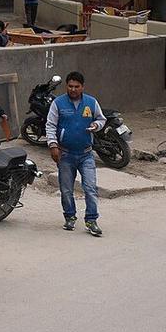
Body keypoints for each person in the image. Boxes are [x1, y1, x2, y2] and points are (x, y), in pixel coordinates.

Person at [48, 70, 105, 236]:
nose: (73, 89)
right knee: (66, 190)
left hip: (86, 154)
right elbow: (50, 125)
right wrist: (53, 145)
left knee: (90, 188)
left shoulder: (91, 103)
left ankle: (91, 220)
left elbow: (101, 119)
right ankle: (70, 217)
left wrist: (96, 126)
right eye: (70, 86)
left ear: (82, 87)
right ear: (66, 86)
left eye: (76, 87)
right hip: (65, 155)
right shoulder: (58, 103)